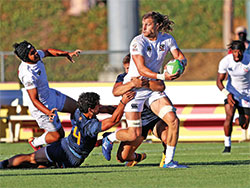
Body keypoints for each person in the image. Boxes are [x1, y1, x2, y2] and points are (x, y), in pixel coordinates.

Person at [102, 12, 188, 168]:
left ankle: (169, 161)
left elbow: (181, 57)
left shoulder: (167, 40)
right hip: (135, 89)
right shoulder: (137, 42)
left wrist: (180, 66)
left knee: (173, 120)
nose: (144, 27)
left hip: (152, 89)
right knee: (133, 134)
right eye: (143, 24)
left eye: (147, 24)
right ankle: (109, 138)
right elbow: (141, 69)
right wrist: (163, 76)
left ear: (157, 25)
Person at [0, 91, 135, 169]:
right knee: (44, 165)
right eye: (97, 105)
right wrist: (123, 103)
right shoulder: (90, 126)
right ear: (91, 109)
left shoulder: (78, 111)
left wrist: (125, 108)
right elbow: (113, 120)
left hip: (62, 146)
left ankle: (3, 164)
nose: (100, 106)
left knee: (32, 159)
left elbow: (106, 109)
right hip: (73, 158)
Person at [13, 40, 81, 151]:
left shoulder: (35, 56)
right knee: (58, 136)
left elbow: (48, 52)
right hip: (41, 106)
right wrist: (47, 112)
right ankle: (35, 142)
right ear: (25, 58)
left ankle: (76, 139)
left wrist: (66, 54)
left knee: (77, 108)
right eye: (32, 53)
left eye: (34, 50)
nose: (36, 53)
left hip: (50, 94)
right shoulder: (28, 75)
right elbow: (34, 99)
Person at [112, 54, 169, 167]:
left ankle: (167, 158)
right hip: (137, 123)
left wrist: (144, 83)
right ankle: (138, 157)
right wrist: (132, 84)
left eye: (131, 68)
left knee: (168, 135)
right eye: (127, 68)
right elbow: (116, 91)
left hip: (154, 119)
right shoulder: (123, 78)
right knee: (122, 157)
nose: (129, 71)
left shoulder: (149, 74)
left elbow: (161, 86)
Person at [216, 40, 250, 153]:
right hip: (232, 92)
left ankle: (239, 120)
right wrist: (227, 94)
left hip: (247, 94)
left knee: (244, 125)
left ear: (243, 51)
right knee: (229, 116)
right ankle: (227, 146)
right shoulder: (226, 61)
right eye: (234, 52)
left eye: (239, 52)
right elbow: (219, 82)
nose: (237, 54)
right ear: (232, 52)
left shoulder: (248, 60)